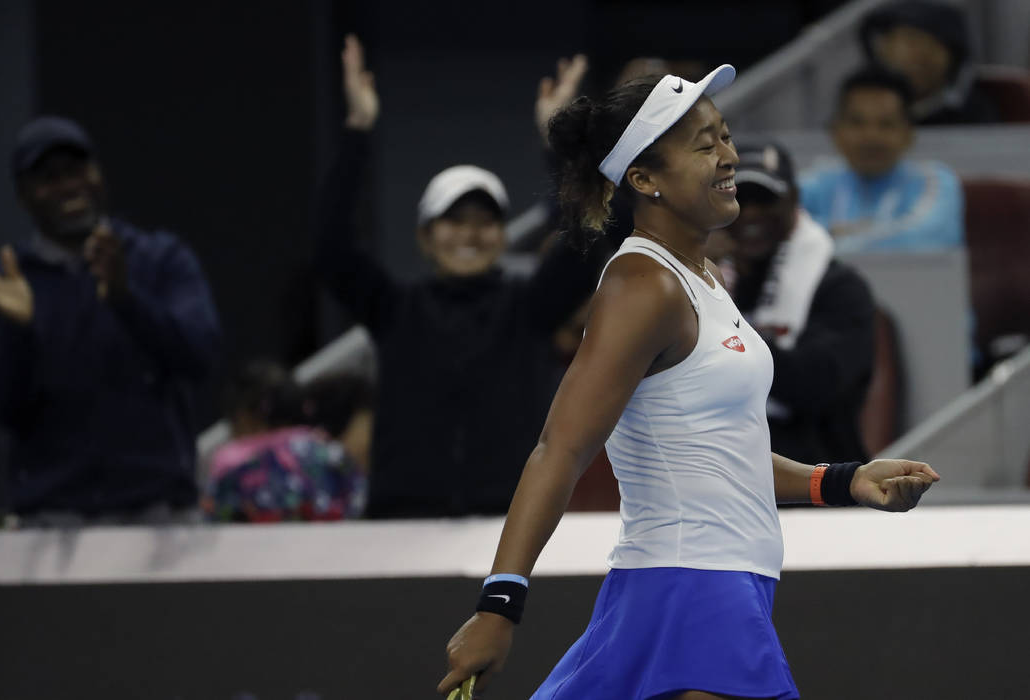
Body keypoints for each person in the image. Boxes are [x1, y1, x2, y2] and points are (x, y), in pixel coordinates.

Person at [437, 67, 940, 699]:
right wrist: (499, 604)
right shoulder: (642, 287)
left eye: (724, 136)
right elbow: (559, 449)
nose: (729, 156)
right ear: (644, 180)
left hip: (710, 584)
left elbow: (721, 450)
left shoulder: (699, 276)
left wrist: (838, 480)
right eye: (704, 145)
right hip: (694, 587)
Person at [318, 36, 621, 518]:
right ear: (425, 237)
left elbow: (588, 242)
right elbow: (330, 249)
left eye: (484, 221)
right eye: (454, 220)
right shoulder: (396, 311)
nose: (470, 233)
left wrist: (558, 145)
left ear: (501, 236)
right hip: (402, 523)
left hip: (509, 524)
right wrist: (357, 130)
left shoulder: (529, 309)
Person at [0, 116, 221, 526]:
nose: (69, 186)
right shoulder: (11, 281)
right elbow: (1, 409)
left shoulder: (158, 258)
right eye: (49, 177)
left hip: (160, 516)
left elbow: (200, 356)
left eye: (77, 170)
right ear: (23, 195)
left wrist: (128, 299)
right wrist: (19, 331)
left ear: (98, 175)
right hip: (53, 520)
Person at [715, 143, 876, 465]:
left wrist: (717, 335)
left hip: (820, 482)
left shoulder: (840, 288)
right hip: (722, 472)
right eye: (739, 199)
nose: (751, 213)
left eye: (765, 199)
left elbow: (816, 385)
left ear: (793, 201)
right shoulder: (704, 281)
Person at [800, 68, 964, 254]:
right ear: (835, 131)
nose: (871, 136)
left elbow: (928, 242)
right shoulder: (814, 184)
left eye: (886, 124)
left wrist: (832, 235)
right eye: (857, 123)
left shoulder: (936, 182)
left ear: (909, 134)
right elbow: (782, 233)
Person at [203, 361, 365, 523]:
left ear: (244, 416)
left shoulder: (230, 461)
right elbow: (359, 503)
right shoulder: (331, 453)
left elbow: (214, 518)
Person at [859, 0, 997, 125]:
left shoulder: (973, 113)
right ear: (884, 50)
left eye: (934, 46)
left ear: (953, 60)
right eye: (911, 41)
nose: (919, 57)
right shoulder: (860, 104)